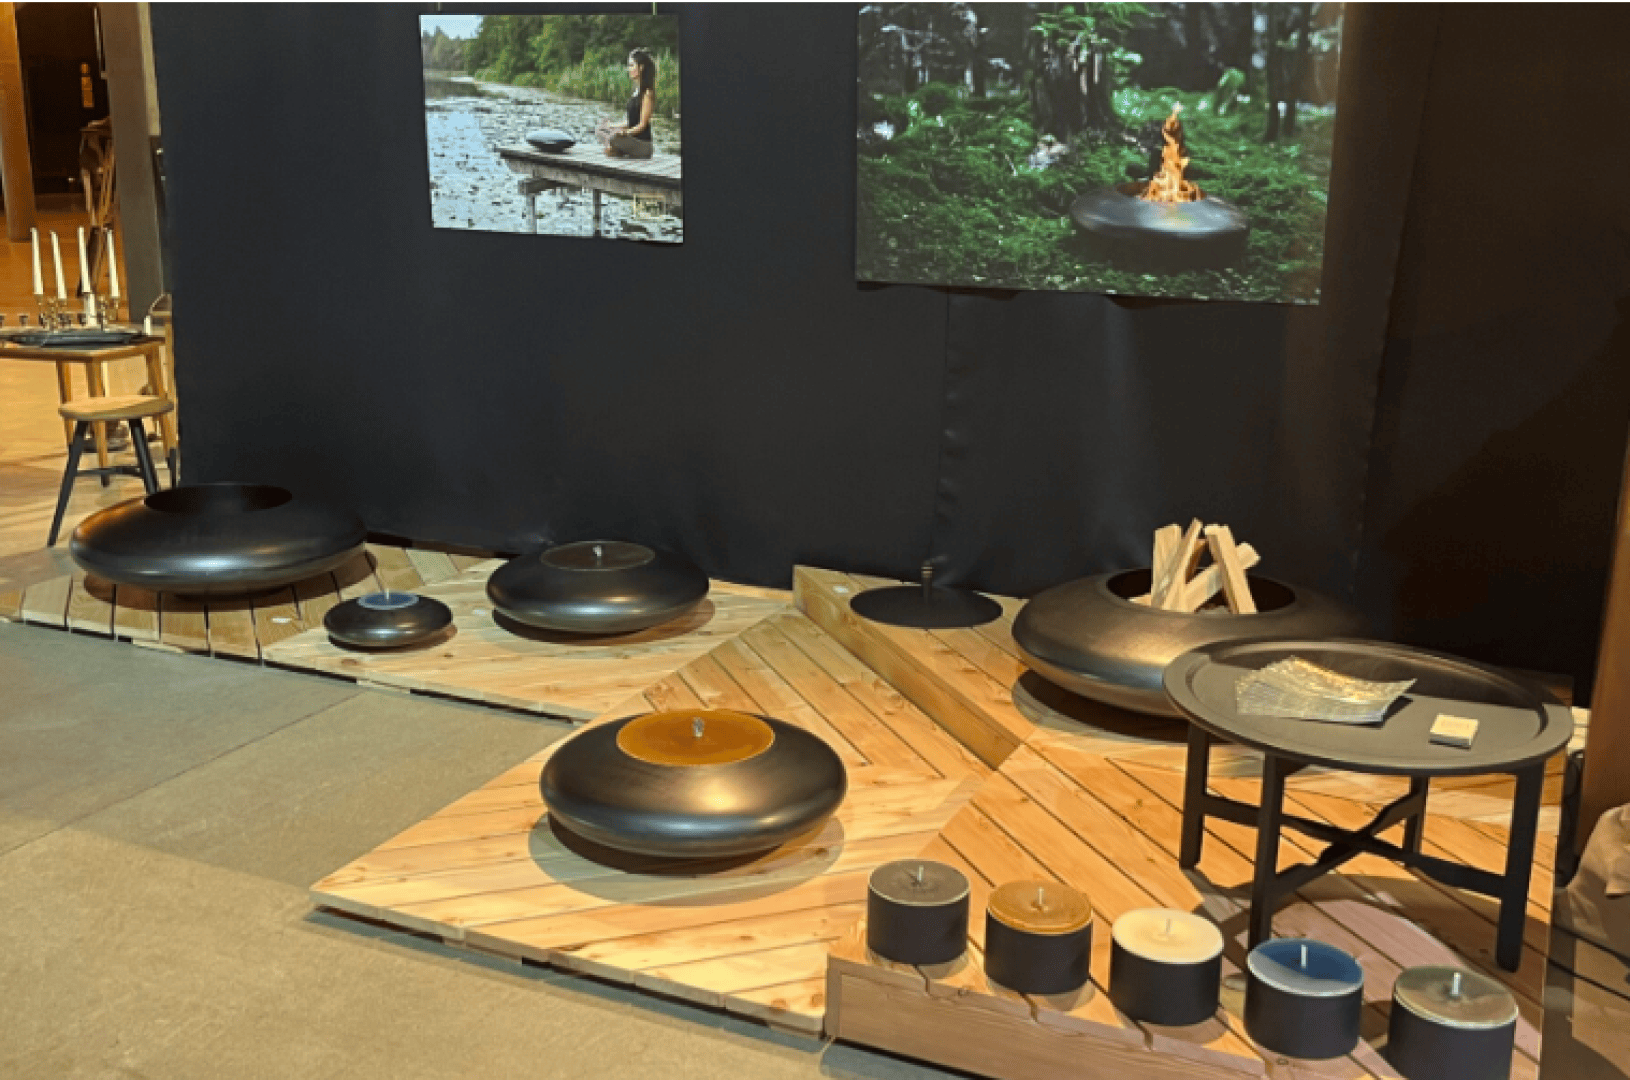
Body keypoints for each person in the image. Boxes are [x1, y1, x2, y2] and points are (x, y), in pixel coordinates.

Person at [599, 48, 657, 159]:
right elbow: (631, 121)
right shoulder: (636, 91)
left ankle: (617, 149)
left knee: (613, 138)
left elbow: (642, 125)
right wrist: (612, 126)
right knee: (601, 130)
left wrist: (625, 133)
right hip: (631, 140)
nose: (628, 69)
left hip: (643, 145)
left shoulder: (647, 93)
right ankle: (617, 149)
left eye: (631, 65)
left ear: (641, 67)